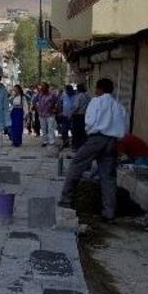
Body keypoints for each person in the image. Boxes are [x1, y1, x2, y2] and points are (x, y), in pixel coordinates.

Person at [58, 78, 127, 222]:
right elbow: (124, 128)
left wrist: (91, 134)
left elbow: (89, 122)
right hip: (112, 141)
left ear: (99, 89)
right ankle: (109, 212)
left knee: (77, 165)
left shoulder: (96, 102)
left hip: (96, 138)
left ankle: (66, 200)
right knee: (108, 177)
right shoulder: (119, 106)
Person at [71, 84, 90, 151]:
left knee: (76, 132)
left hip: (78, 115)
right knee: (83, 131)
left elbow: (76, 106)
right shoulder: (87, 96)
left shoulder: (79, 96)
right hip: (85, 115)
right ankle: (84, 145)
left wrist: (71, 113)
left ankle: (77, 146)